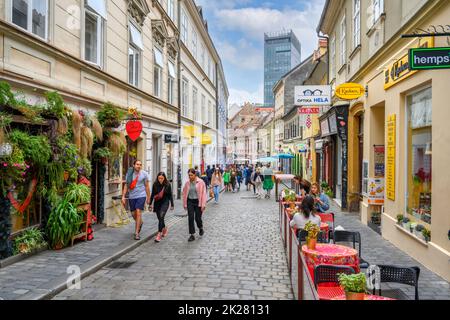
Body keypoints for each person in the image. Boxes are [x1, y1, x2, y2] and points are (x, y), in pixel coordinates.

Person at [122, 160, 151, 240]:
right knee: (133, 214)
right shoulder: (130, 173)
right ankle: (140, 222)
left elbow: (147, 186)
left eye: (140, 164)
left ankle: (136, 233)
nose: (139, 166)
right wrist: (123, 196)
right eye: (137, 164)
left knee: (138, 212)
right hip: (132, 196)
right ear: (134, 165)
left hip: (141, 195)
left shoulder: (144, 174)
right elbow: (126, 185)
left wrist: (148, 198)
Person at [182, 169, 207, 242]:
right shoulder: (187, 183)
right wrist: (184, 203)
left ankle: (200, 227)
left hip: (198, 202)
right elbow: (184, 193)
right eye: (189, 175)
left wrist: (203, 204)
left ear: (195, 175)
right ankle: (192, 234)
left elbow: (204, 194)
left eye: (191, 175)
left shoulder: (201, 182)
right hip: (190, 201)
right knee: (190, 218)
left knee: (197, 218)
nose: (190, 177)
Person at [149, 172, 174, 243]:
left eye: (162, 178)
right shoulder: (155, 184)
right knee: (160, 218)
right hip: (157, 203)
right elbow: (152, 194)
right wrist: (150, 204)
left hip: (165, 203)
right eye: (159, 178)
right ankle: (164, 228)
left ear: (164, 178)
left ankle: (159, 234)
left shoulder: (168, 185)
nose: (160, 180)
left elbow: (170, 195)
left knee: (161, 216)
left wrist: (172, 204)